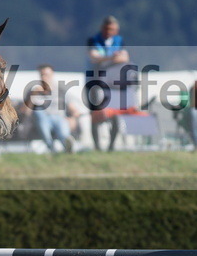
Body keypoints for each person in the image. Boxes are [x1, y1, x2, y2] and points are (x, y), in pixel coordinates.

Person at [86, 15, 133, 151]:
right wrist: (112, 58)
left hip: (113, 85)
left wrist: (105, 60)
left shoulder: (119, 41)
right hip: (95, 82)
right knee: (95, 114)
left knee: (116, 116)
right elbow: (94, 58)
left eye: (112, 29)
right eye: (107, 29)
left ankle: (111, 146)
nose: (109, 32)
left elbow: (125, 57)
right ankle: (97, 146)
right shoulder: (94, 40)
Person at [27, 64, 80, 153]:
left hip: (59, 118)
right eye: (42, 75)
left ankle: (67, 145)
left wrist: (73, 119)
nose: (44, 77)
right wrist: (33, 95)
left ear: (52, 75)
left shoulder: (61, 90)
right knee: (39, 113)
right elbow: (26, 112)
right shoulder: (34, 91)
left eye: (46, 75)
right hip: (42, 119)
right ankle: (51, 147)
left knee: (62, 129)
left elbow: (75, 110)